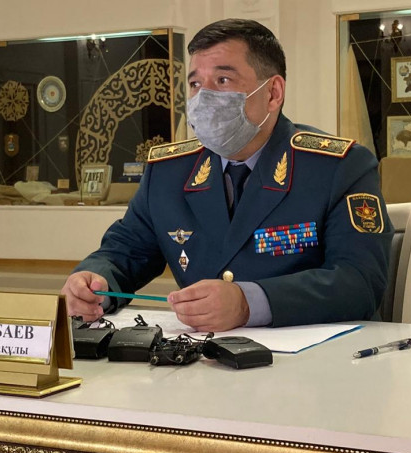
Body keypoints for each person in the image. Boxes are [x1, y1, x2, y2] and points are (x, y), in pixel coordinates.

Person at [62, 18, 393, 331]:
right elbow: (126, 251)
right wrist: (94, 282)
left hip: (314, 361)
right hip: (202, 359)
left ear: (273, 93)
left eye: (222, 81)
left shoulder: (338, 167)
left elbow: (360, 282)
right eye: (195, 83)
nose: (204, 97)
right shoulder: (169, 172)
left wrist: (249, 303)